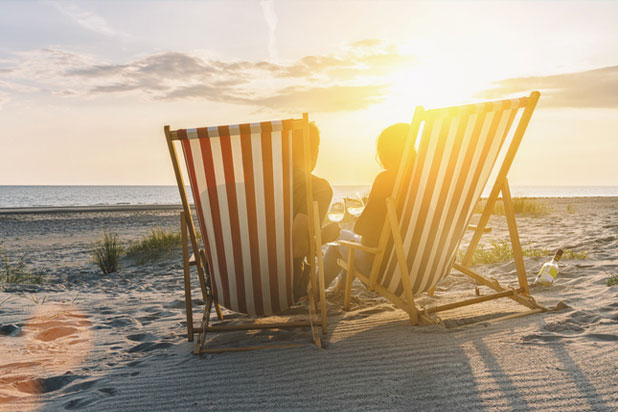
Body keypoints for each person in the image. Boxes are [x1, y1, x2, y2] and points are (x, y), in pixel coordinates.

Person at [322, 123, 412, 291]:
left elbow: (365, 232)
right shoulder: (429, 182)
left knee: (340, 239)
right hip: (421, 268)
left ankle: (313, 291)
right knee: (349, 239)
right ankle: (341, 287)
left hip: (387, 273)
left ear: (385, 153)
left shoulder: (386, 180)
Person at [291, 122, 340, 301]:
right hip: (286, 287)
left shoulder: (248, 187)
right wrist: (324, 237)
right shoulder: (316, 188)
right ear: (315, 152)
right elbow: (299, 248)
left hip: (231, 289)